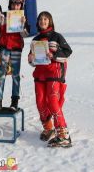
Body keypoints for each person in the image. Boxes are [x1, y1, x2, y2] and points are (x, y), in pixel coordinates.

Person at [28, 11, 72, 147]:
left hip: (54, 72)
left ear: (50, 21)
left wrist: (53, 55)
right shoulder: (35, 39)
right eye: (41, 19)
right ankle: (48, 128)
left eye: (45, 19)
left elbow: (67, 52)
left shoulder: (57, 37)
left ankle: (63, 134)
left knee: (53, 101)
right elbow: (33, 59)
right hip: (40, 74)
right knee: (40, 102)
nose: (43, 21)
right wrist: (31, 59)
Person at [0, 0, 29, 110]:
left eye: (18, 4)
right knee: (1, 74)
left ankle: (14, 101)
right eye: (14, 4)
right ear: (10, 4)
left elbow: (25, 34)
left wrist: (23, 24)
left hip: (16, 48)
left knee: (15, 75)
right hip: (5, 47)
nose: (16, 6)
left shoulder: (23, 17)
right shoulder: (5, 16)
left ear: (21, 5)